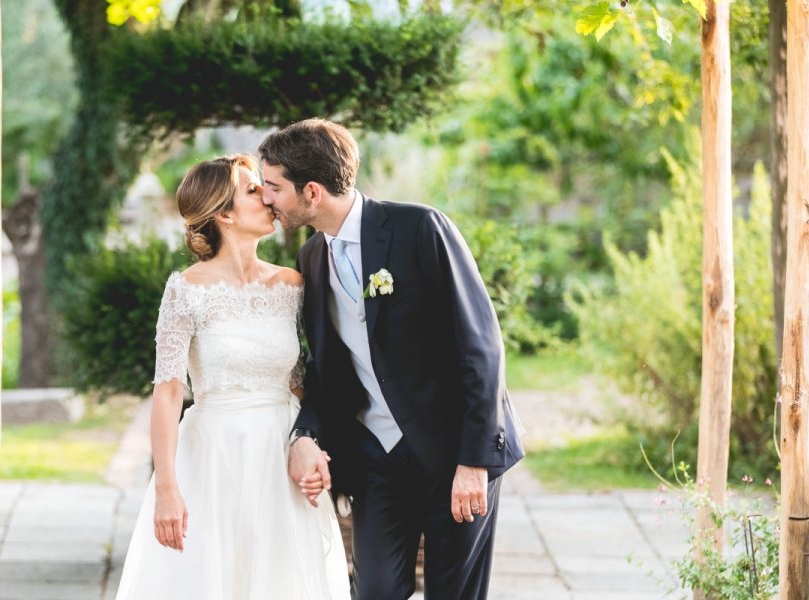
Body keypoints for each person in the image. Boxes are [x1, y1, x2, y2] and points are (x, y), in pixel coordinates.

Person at [259, 119, 525, 600]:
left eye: (274, 187)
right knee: (376, 591)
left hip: (453, 452)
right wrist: (306, 435)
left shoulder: (420, 228)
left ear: (312, 191)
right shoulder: (312, 260)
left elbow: (480, 346)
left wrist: (474, 462)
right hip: (375, 458)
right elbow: (326, 370)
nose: (266, 198)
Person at [114, 154, 350, 600]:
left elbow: (302, 381)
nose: (267, 196)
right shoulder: (185, 290)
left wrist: (313, 444)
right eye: (252, 190)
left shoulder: (292, 284)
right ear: (224, 213)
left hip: (280, 458)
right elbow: (167, 393)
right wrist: (166, 488)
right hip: (213, 457)